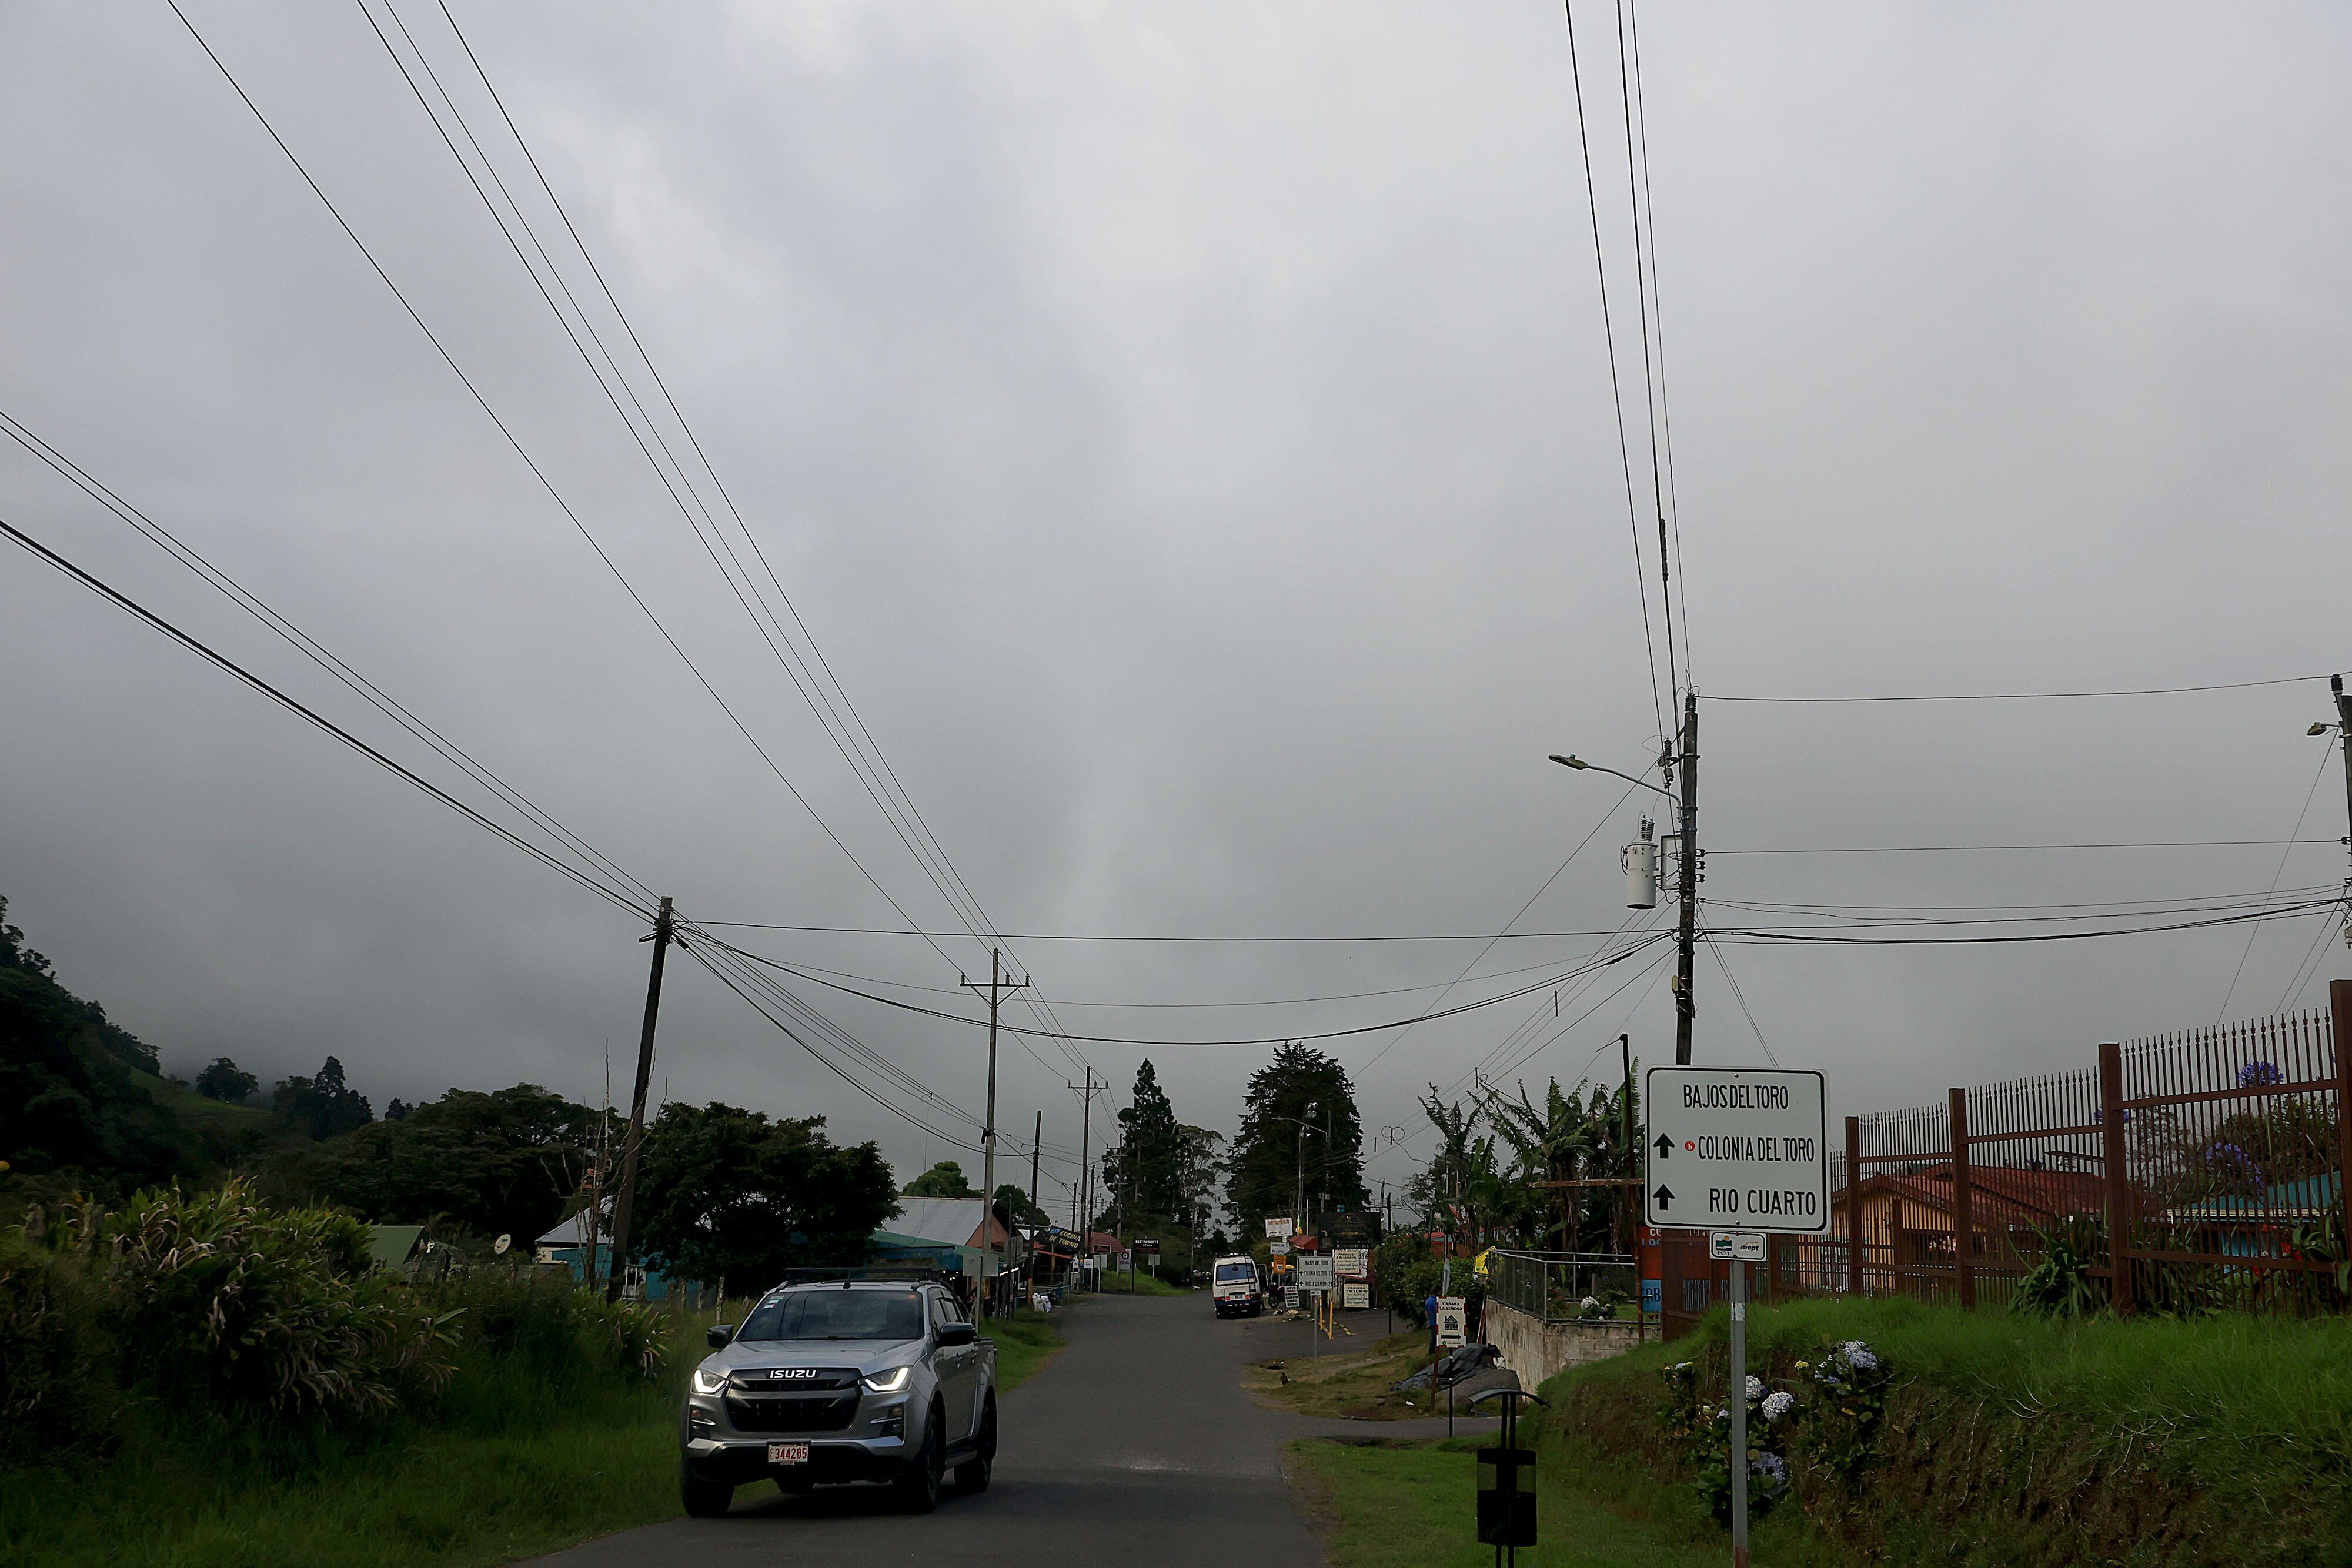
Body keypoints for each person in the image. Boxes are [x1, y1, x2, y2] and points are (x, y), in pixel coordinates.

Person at [1425, 1290, 1439, 1355]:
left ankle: (1435, 1348)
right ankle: (1432, 1350)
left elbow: (1426, 1311)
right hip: (1435, 1321)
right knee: (1435, 1336)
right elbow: (1437, 1310)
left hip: (1431, 1321)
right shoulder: (1434, 1301)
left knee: (1434, 1335)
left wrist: (1428, 1320)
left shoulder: (1428, 1301)